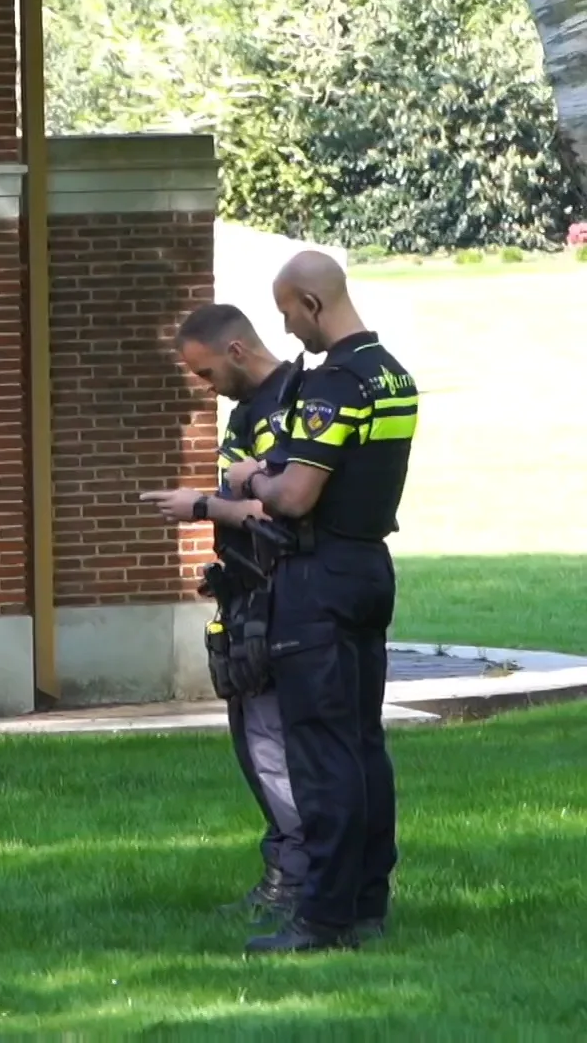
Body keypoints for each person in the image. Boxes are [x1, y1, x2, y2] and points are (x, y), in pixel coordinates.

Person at [223, 251, 418, 954]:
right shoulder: (393, 372)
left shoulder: (336, 382)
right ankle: (367, 901)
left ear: (311, 302)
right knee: (364, 744)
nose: (288, 329)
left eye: (287, 314)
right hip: (370, 564)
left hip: (320, 576)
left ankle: (324, 916)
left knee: (321, 752)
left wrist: (253, 476)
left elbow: (297, 494)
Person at [139, 304, 307, 925]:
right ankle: (284, 871)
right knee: (254, 741)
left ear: (236, 350)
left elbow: (279, 510)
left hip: (279, 595)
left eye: (205, 372)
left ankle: (296, 878)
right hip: (244, 596)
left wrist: (202, 505)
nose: (203, 386)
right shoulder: (246, 412)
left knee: (273, 744)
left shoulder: (289, 405)